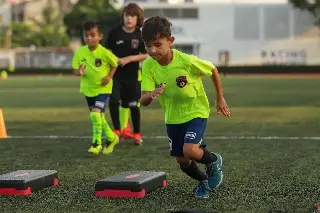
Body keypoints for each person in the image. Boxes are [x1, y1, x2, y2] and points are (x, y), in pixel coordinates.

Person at [140, 16, 231, 199]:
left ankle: (214, 160)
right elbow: (143, 100)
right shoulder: (148, 65)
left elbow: (212, 69)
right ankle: (204, 181)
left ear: (170, 41)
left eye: (157, 44)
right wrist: (151, 94)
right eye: (148, 46)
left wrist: (220, 99)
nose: (152, 50)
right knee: (182, 160)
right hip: (173, 117)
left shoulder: (186, 61)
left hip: (196, 111)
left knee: (189, 150)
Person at [72, 20, 119, 155]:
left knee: (95, 113)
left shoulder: (104, 52)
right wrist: (79, 72)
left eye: (93, 35)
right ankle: (112, 137)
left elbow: (115, 63)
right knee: (98, 116)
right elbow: (75, 70)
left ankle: (96, 143)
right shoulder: (80, 52)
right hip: (88, 89)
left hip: (103, 89)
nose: (89, 38)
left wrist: (109, 77)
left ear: (100, 37)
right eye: (86, 35)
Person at [105, 3, 148, 145]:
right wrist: (113, 59)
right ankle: (117, 130)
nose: (129, 19)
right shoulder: (115, 33)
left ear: (138, 18)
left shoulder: (140, 35)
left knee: (133, 105)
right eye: (127, 15)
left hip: (133, 77)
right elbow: (106, 51)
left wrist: (129, 59)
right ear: (123, 17)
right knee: (113, 101)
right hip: (115, 75)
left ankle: (137, 133)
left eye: (133, 16)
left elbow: (147, 54)